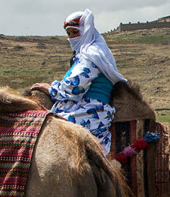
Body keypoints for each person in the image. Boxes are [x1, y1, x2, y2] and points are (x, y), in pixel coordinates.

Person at [30, 9, 124, 153]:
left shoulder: (91, 54)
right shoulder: (84, 53)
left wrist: (50, 89)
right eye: (69, 34)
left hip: (92, 109)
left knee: (53, 130)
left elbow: (75, 87)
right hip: (79, 105)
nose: (72, 37)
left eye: (75, 32)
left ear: (86, 30)